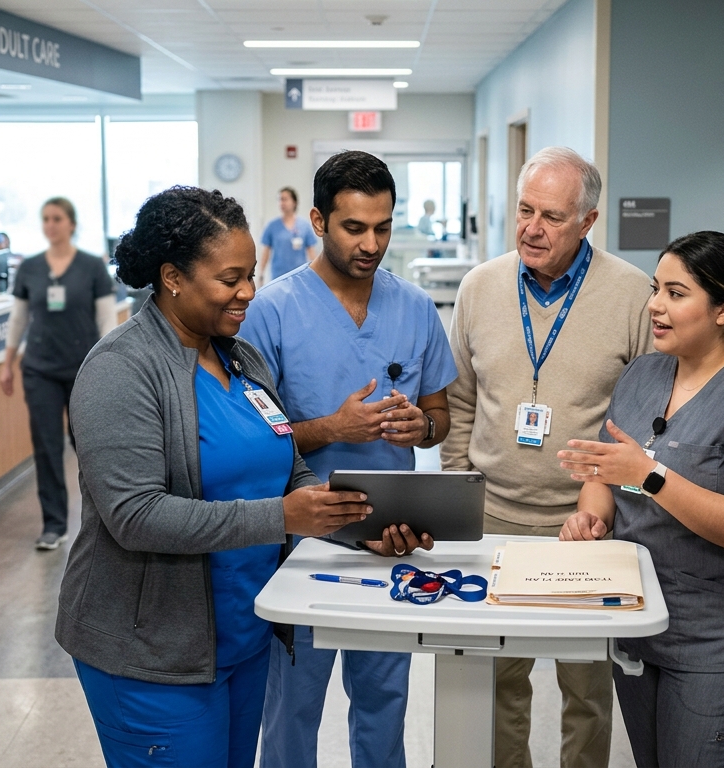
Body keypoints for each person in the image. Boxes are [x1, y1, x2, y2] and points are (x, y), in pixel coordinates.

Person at [57, 185, 374, 768]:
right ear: (173, 277)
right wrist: (281, 518)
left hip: (243, 636)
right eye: (230, 279)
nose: (249, 292)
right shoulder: (120, 371)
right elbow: (135, 516)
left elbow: (288, 467)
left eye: (250, 274)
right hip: (152, 653)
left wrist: (344, 513)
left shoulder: (239, 358)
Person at [557, 231, 724, 767]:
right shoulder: (644, 374)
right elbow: (606, 474)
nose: (655, 305)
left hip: (721, 645)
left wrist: (651, 476)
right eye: (656, 289)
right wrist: (591, 516)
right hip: (638, 626)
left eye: (676, 293)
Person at [241, 151, 458, 768]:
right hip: (305, 544)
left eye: (383, 227)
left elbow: (439, 420)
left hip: (392, 539)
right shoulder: (272, 312)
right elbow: (251, 442)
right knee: (293, 710)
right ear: (317, 221)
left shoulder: (414, 308)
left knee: (385, 703)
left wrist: (422, 426)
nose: (371, 244)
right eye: (354, 228)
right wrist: (332, 426)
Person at [441, 146, 654, 768]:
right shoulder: (481, 286)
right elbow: (460, 401)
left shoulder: (633, 294)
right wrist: (457, 498)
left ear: (587, 222)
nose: (532, 228)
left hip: (584, 523)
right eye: (525, 210)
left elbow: (642, 419)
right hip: (491, 516)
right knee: (497, 681)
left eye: (552, 217)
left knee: (586, 689)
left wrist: (609, 509)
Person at [0, 197, 117, 551]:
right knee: (46, 447)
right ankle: (53, 524)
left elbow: (106, 320)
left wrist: (110, 364)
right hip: (40, 369)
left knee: (87, 446)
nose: (50, 225)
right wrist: (7, 363)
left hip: (84, 370)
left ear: (71, 224)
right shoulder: (31, 268)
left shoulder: (92, 266)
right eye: (45, 219)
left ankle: (102, 520)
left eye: (57, 219)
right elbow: (18, 318)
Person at [259, 186, 318, 282]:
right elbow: (266, 251)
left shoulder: (304, 226)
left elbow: (311, 251)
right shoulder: (272, 226)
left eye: (285, 199)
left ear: (294, 202)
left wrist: (316, 273)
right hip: (278, 276)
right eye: (280, 200)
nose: (282, 203)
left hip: (300, 275)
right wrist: (261, 273)